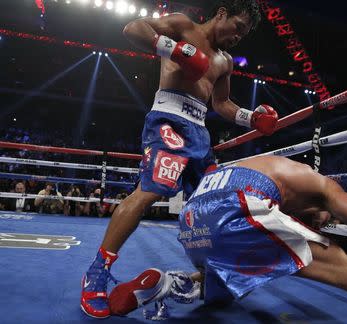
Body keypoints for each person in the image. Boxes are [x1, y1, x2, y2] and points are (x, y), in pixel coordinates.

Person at [81, 0, 279, 318]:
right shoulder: (183, 26)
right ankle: (96, 273)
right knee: (151, 191)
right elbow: (133, 28)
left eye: (244, 33)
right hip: (168, 121)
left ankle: (211, 277)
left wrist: (251, 118)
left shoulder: (226, 61)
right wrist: (176, 50)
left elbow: (222, 103)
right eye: (238, 27)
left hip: (200, 133)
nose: (238, 36)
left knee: (213, 204)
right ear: (222, 14)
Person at [109, 156, 347, 322]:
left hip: (194, 219)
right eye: (325, 218)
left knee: (224, 291)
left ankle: (167, 284)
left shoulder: (266, 166)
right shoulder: (322, 184)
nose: (323, 223)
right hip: (237, 206)